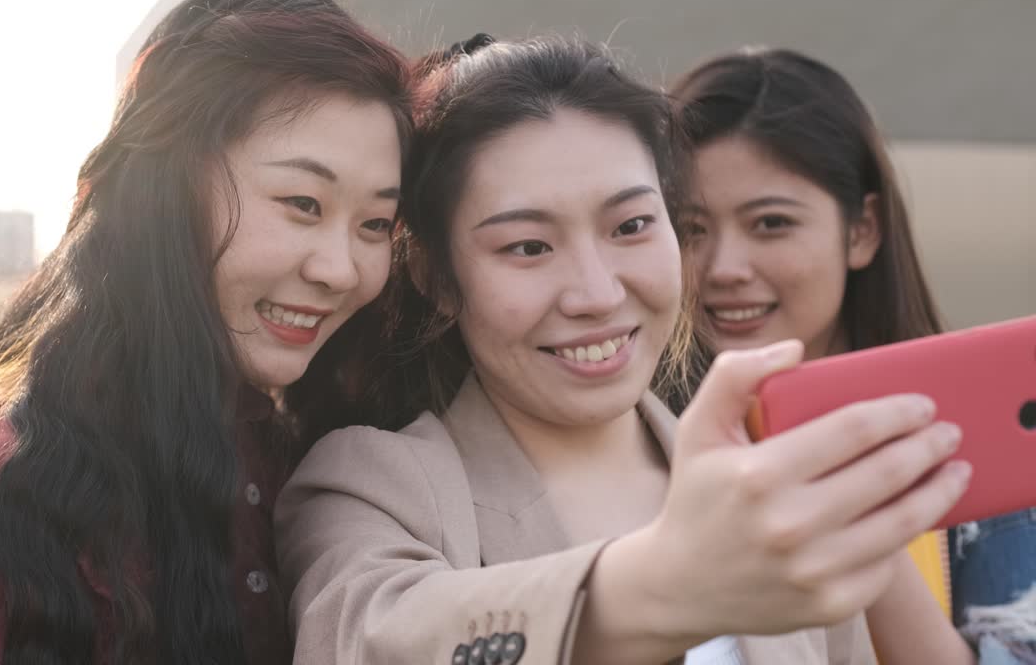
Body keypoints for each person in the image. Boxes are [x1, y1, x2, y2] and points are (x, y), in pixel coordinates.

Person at [275, 36, 971, 664]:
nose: (597, 292)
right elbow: (375, 640)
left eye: (632, 225)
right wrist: (667, 582)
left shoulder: (766, 483)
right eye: (528, 246)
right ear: (437, 278)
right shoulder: (379, 485)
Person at [0, 0, 411, 665]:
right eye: (303, 203)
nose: (342, 269)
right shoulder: (0, 500)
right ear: (166, 194)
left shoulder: (301, 463)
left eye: (375, 224)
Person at [672, 46, 1035, 664]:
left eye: (771, 224)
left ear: (861, 230)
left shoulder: (983, 443)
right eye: (691, 229)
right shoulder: (629, 442)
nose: (725, 268)